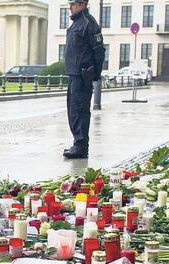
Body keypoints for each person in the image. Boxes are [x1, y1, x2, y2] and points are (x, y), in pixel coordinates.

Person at [62, 0, 105, 159]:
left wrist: (94, 75)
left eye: (72, 4)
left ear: (81, 4)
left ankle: (81, 146)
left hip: (82, 76)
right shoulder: (76, 23)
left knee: (80, 111)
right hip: (73, 75)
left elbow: (99, 51)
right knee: (73, 112)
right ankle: (77, 143)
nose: (70, 7)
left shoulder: (89, 23)